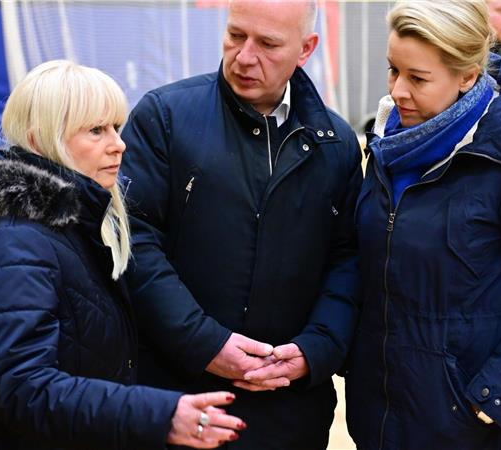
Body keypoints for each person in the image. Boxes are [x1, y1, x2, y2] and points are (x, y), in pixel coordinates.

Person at [0, 60, 246, 450]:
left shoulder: (71, 223)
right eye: (96, 130)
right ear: (38, 140)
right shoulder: (12, 238)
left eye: (116, 126)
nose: (119, 143)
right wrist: (158, 415)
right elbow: (23, 388)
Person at [345, 1, 501, 448]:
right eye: (392, 71)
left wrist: (492, 397)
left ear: (466, 76)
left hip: (474, 428)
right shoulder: (386, 148)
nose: (398, 90)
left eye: (417, 78)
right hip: (385, 420)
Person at [119, 0, 362, 448]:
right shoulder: (165, 118)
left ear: (305, 49)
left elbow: (347, 260)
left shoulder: (338, 145)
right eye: (235, 35)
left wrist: (315, 349)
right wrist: (205, 343)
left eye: (268, 44)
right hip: (176, 399)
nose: (245, 56)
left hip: (289, 410)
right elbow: (132, 242)